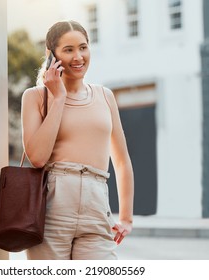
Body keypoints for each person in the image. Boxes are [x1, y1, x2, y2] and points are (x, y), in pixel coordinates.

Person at [21, 20, 134, 260]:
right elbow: (38, 158)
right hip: (51, 211)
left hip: (96, 206)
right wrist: (58, 98)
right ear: (51, 55)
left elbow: (122, 160)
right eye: (68, 49)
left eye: (83, 47)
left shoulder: (105, 96)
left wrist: (126, 217)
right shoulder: (35, 98)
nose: (78, 56)